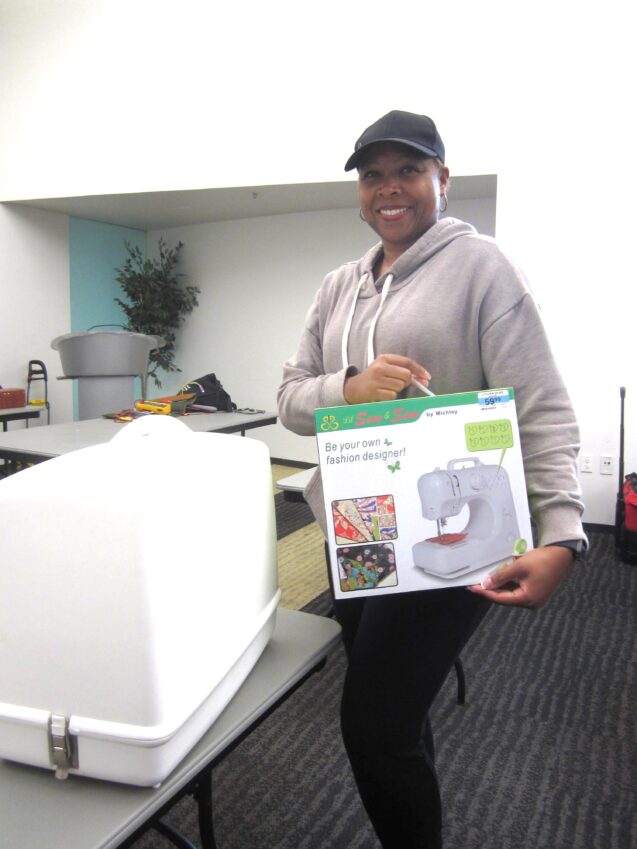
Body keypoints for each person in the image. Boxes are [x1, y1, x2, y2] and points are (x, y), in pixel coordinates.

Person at [277, 110, 586, 849]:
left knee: (373, 726)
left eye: (409, 171)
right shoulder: (337, 286)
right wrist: (348, 389)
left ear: (442, 179)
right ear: (360, 191)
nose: (389, 188)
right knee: (398, 712)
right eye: (373, 175)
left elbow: (540, 405)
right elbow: (288, 399)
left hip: (454, 539)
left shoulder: (483, 269)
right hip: (357, 529)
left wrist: (562, 534)